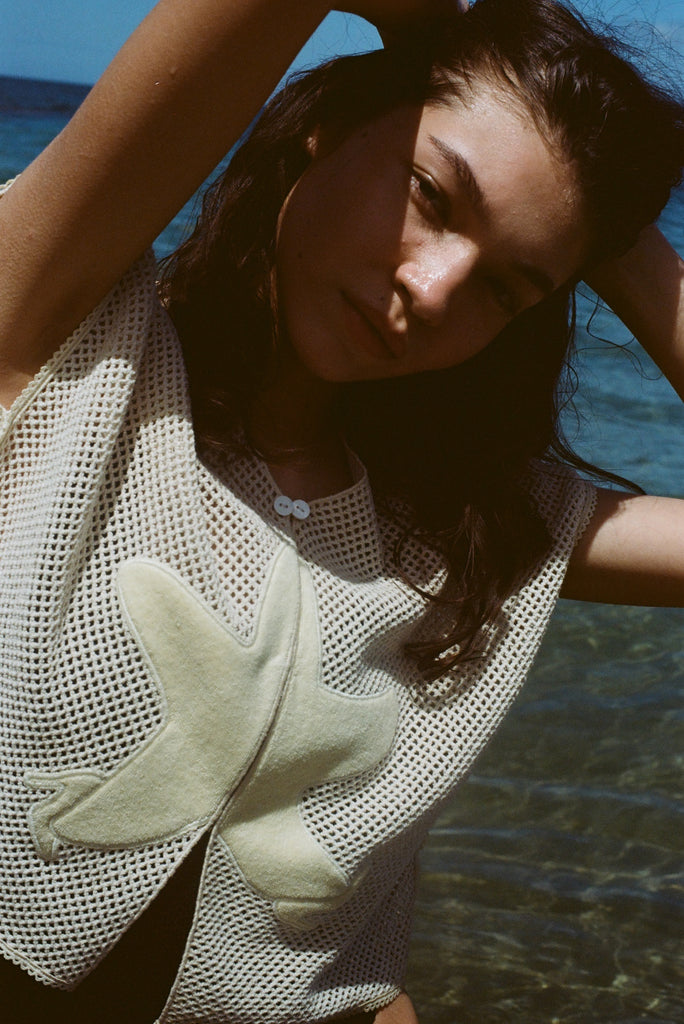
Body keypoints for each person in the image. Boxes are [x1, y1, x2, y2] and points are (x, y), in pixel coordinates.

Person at [0, 0, 682, 1021]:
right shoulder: (64, 349)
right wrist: (424, 31)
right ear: (328, 125)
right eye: (430, 193)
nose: (435, 289)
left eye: (506, 288)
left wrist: (611, 234)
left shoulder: (469, 532)